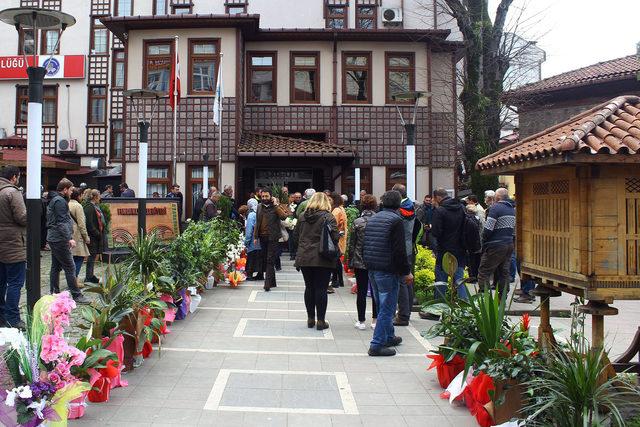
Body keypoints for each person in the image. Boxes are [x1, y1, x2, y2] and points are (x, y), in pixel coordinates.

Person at [363, 190, 411, 357]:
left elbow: (365, 243)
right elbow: (399, 250)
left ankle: (389, 336)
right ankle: (376, 344)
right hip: (387, 269)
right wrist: (406, 271)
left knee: (381, 304)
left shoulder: (374, 217)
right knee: (387, 308)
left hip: (373, 266)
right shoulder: (396, 220)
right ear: (399, 204)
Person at [294, 192, 340, 331]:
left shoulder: (302, 216)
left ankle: (310, 318)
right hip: (323, 257)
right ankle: (321, 320)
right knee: (321, 288)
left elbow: (296, 236)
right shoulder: (328, 216)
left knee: (309, 287)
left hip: (305, 256)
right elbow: (335, 237)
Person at [46, 179, 89, 304]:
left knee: (55, 266)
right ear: (65, 189)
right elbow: (61, 222)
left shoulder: (55, 199)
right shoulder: (59, 201)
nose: (71, 192)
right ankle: (76, 295)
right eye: (70, 190)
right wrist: (69, 238)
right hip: (59, 239)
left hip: (54, 237)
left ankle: (54, 292)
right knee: (70, 266)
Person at [0, 166, 27, 328]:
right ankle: (13, 317)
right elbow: (22, 218)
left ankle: (2, 316)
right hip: (13, 244)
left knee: (1, 282)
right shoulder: (12, 192)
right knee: (15, 283)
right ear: (14, 177)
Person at [347, 194, 378, 330]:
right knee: (376, 291)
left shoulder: (357, 222)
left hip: (360, 260)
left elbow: (352, 244)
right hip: (376, 260)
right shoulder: (379, 220)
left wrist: (350, 261)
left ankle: (361, 320)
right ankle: (375, 320)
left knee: (362, 291)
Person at [430, 188, 468, 300]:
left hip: (444, 250)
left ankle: (438, 308)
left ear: (437, 197)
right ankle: (465, 307)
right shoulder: (461, 208)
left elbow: (436, 232)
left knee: (441, 281)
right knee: (459, 280)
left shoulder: (440, 211)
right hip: (460, 249)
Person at [478, 188, 516, 296]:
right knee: (504, 271)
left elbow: (488, 228)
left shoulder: (495, 208)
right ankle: (502, 297)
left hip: (495, 244)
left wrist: (484, 240)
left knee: (484, 270)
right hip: (508, 243)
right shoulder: (511, 209)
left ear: (497, 197)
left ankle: (485, 298)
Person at [392, 184, 419, 327]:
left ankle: (403, 315)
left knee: (402, 282)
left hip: (402, 249)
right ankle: (406, 311)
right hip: (409, 247)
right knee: (407, 281)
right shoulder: (410, 205)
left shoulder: (401, 209)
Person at [254, 189, 290, 291]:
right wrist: (255, 236)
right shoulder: (259, 206)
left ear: (271, 197)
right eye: (263, 196)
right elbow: (258, 222)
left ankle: (267, 284)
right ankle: (272, 282)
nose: (264, 198)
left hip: (273, 237)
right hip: (262, 236)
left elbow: (283, 217)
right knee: (266, 259)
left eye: (266, 196)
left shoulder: (275, 207)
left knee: (270, 259)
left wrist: (276, 205)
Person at [69, 188, 90, 288]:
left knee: (71, 258)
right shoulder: (78, 206)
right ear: (79, 196)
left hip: (68, 234)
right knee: (79, 257)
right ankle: (74, 280)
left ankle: (72, 279)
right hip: (77, 235)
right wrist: (86, 237)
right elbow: (81, 224)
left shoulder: (67, 203)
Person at [83, 189, 105, 284]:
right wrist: (97, 233)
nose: (100, 198)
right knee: (91, 257)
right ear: (95, 197)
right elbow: (89, 223)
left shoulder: (94, 206)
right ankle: (89, 277)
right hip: (92, 236)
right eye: (99, 196)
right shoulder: (89, 207)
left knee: (93, 256)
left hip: (95, 235)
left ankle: (90, 276)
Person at [329, 192, 347, 292]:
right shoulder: (341, 208)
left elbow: (332, 223)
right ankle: (339, 280)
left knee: (335, 260)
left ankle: (336, 280)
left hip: (336, 238)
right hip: (341, 237)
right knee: (337, 260)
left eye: (330, 199)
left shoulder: (336, 210)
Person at [465, 203, 485, 283]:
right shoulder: (478, 218)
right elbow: (482, 229)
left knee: (471, 261)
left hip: (470, 244)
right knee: (477, 260)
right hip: (478, 242)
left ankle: (472, 277)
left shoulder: (467, 219)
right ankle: (476, 276)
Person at [244, 199, 263, 281]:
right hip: (261, 240)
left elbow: (249, 230)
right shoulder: (261, 212)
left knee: (251, 258)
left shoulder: (251, 215)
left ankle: (249, 275)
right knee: (260, 258)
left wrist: (246, 241)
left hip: (253, 241)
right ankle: (260, 274)